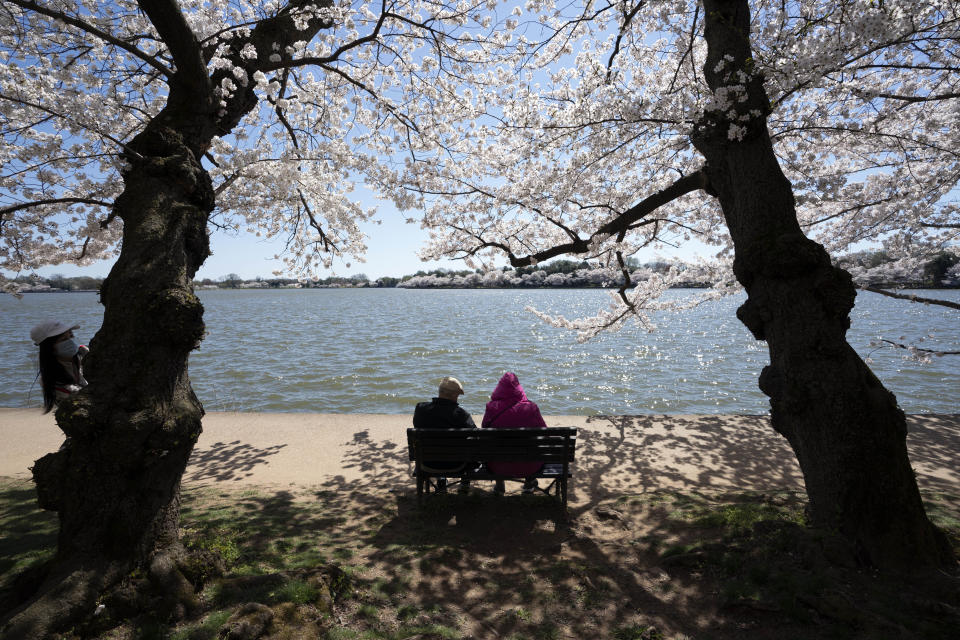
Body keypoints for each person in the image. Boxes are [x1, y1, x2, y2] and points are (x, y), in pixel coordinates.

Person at [482, 372, 547, 495]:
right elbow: (544, 432)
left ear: (499, 388)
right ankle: (529, 483)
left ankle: (500, 485)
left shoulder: (491, 408)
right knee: (530, 443)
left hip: (498, 466)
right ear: (518, 388)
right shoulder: (531, 408)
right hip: (530, 465)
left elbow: (485, 431)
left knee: (496, 446)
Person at [413, 376, 477, 493]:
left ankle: (441, 479)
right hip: (456, 464)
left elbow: (417, 425)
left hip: (426, 462)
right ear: (453, 395)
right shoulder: (462, 415)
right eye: (457, 395)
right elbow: (475, 436)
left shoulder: (421, 409)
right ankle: (464, 484)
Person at [30, 319, 89, 413]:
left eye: (70, 336)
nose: (70, 341)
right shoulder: (52, 382)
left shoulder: (85, 353)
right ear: (50, 348)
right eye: (64, 339)